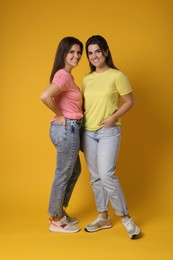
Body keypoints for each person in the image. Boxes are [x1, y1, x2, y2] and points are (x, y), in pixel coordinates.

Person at [81, 35, 141, 239]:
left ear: (105, 51)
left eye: (98, 51)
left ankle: (126, 218)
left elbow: (129, 101)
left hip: (109, 131)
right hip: (88, 133)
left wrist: (113, 118)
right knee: (95, 177)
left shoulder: (118, 76)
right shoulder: (86, 79)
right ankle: (103, 216)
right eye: (90, 53)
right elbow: (84, 107)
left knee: (107, 174)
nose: (94, 56)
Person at [40, 36, 83, 233]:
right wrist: (59, 114)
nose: (77, 55)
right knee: (64, 173)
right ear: (63, 54)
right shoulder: (63, 76)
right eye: (72, 52)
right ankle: (56, 218)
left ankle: (60, 210)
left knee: (73, 171)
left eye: (78, 52)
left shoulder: (67, 76)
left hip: (71, 129)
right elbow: (45, 96)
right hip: (67, 129)